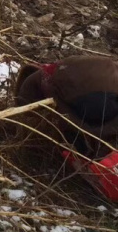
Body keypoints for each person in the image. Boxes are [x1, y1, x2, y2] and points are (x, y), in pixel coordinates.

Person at [15, 55, 118, 200]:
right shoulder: (56, 73)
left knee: (80, 132)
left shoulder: (48, 81)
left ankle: (99, 171)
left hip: (96, 92)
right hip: (103, 86)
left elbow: (70, 120)